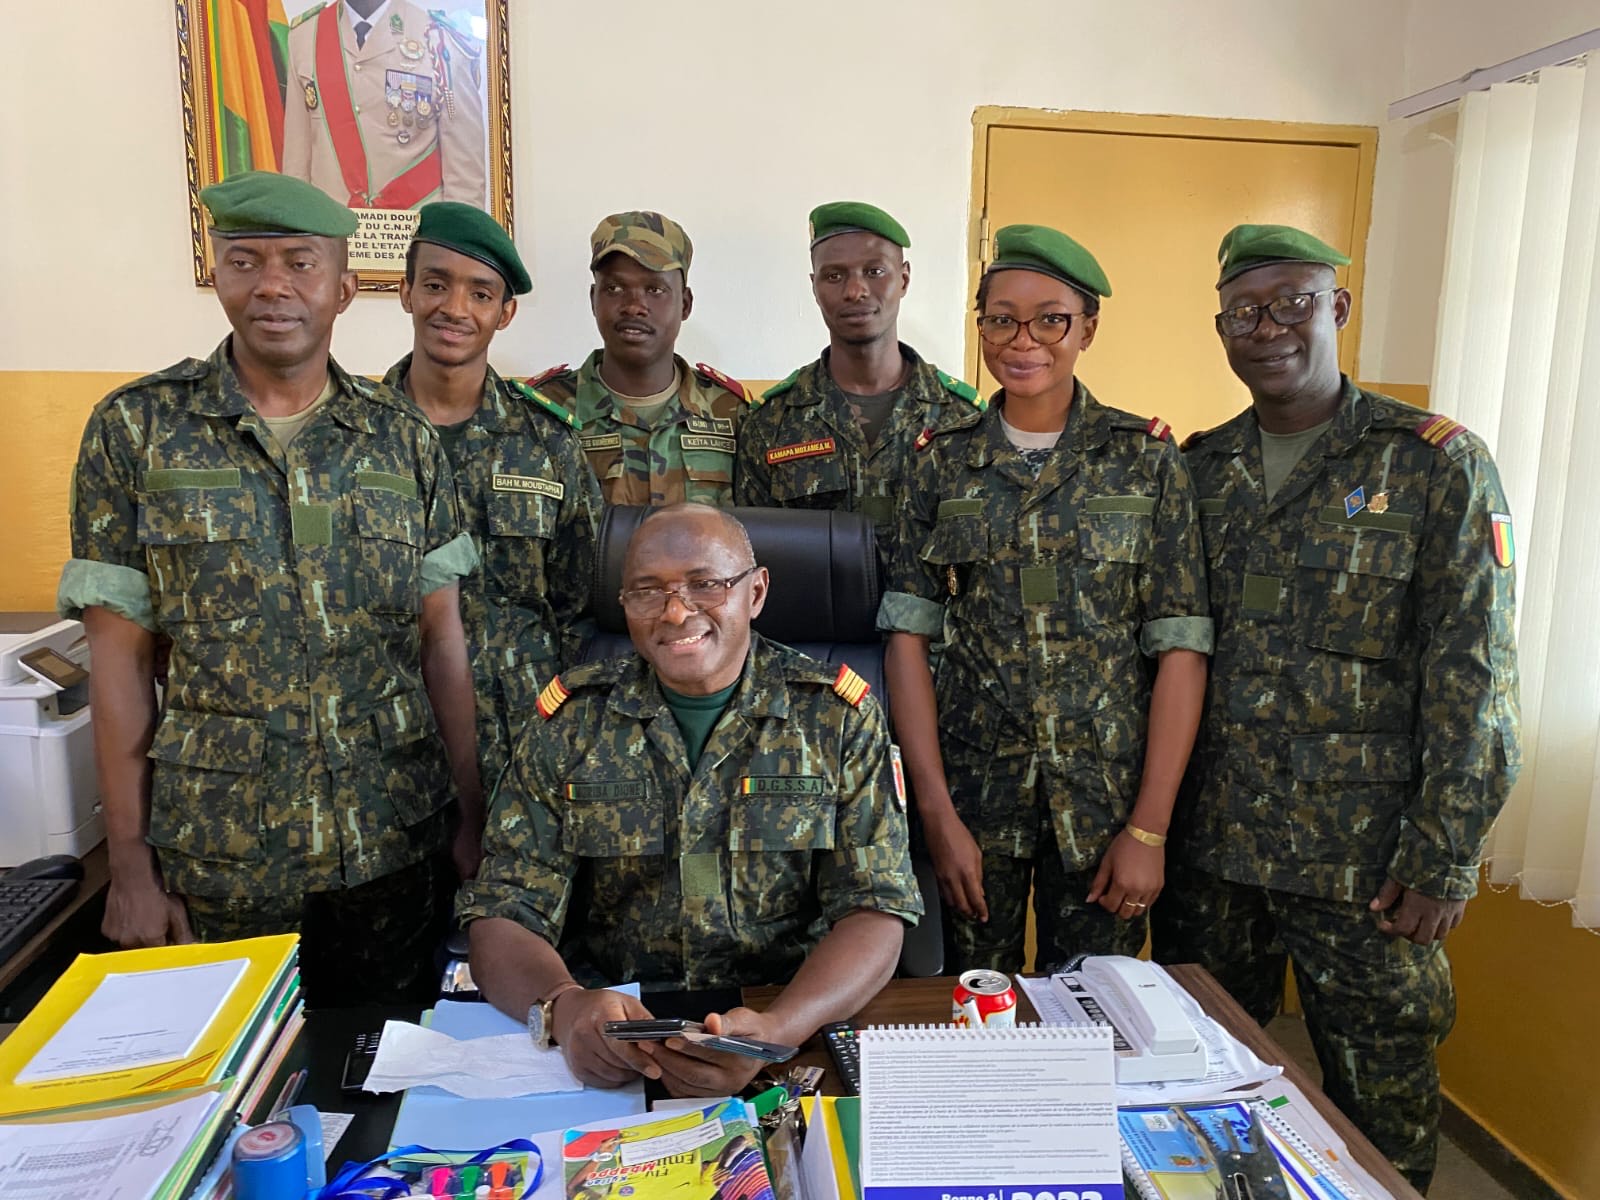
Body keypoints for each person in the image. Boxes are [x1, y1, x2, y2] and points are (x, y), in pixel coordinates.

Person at [1151, 224, 1521, 1192]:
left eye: (1291, 303)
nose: (1265, 329)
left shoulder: (1434, 462)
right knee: (1203, 1088)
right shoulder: (1199, 469)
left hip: (1364, 861)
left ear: (1337, 308)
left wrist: (1443, 854)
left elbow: (1475, 674)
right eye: (1242, 312)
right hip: (1215, 846)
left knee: (1379, 1097)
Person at [58, 170, 483, 1005]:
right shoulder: (137, 430)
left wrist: (468, 817)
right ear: (217, 274)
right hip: (219, 859)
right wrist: (132, 865)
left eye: (300, 262)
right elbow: (117, 668)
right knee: (236, 1107)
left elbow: (442, 643)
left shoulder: (401, 440)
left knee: (383, 1084)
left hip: (389, 843)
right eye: (246, 261)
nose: (274, 286)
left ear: (346, 287)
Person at [458, 503, 922, 1096]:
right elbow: (502, 910)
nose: (676, 612)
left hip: (786, 1022)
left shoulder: (835, 718)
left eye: (706, 584)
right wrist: (564, 1006)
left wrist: (778, 1028)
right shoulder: (569, 722)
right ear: (622, 605)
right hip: (613, 1040)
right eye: (647, 591)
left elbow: (875, 909)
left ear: (755, 592)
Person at [877, 224, 1211, 974]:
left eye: (1050, 318)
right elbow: (907, 642)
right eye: (1001, 318)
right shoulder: (942, 464)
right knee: (962, 1007)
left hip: (1105, 803)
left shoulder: (1146, 461)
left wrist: (1150, 831)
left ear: (1087, 328)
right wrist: (934, 811)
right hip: (971, 797)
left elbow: (1181, 650)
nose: (1022, 339)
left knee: (1097, 1014)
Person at [385, 201, 602, 791]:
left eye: (480, 294)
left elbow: (578, 605)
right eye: (436, 284)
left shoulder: (548, 443)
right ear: (405, 291)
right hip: (381, 742)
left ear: (505, 313)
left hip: (521, 745)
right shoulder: (353, 437)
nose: (455, 309)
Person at [734, 202, 983, 565]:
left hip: (932, 623)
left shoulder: (963, 418)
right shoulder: (772, 423)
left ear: (905, 279)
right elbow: (751, 557)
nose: (855, 290)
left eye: (875, 271)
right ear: (814, 287)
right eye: (834, 276)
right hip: (811, 621)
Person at [527, 212, 752, 506]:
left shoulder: (732, 413)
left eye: (655, 289)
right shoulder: (543, 413)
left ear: (685, 304)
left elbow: (755, 536)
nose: (634, 307)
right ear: (593, 299)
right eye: (614, 289)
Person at [281, 0, 488, 209]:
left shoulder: (440, 41)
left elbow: (465, 185)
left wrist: (452, 240)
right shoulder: (306, 37)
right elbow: (296, 169)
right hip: (332, 234)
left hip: (415, 234)